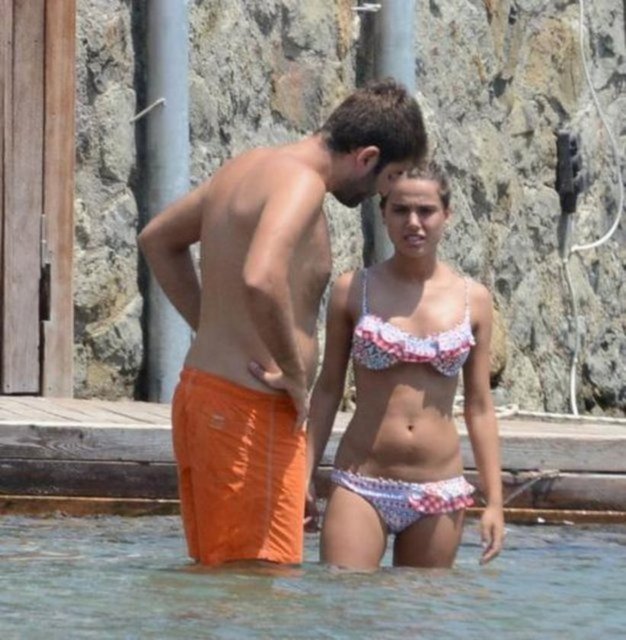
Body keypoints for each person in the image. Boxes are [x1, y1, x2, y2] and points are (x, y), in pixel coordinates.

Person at [138, 79, 428, 566]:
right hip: (248, 413)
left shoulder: (249, 166)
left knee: (225, 582)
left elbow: (157, 240)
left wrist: (211, 326)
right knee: (260, 583)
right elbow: (261, 275)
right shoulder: (301, 183)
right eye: (391, 175)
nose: (385, 192)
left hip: (205, 397)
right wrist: (294, 373)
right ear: (367, 157)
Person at [305, 162, 504, 570]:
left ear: (446, 215)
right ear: (384, 214)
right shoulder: (352, 289)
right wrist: (302, 473)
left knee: (419, 608)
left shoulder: (474, 300)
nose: (413, 222)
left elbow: (480, 407)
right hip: (361, 482)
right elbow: (327, 388)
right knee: (342, 597)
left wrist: (495, 502)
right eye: (400, 210)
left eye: (426, 211)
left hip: (439, 490)